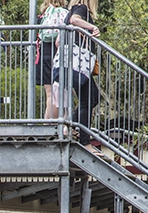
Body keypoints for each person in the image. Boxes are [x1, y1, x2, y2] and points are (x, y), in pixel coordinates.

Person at [61, 0, 102, 154]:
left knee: (93, 97)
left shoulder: (69, 12)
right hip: (79, 63)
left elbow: (59, 41)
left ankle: (68, 125)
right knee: (88, 99)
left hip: (72, 63)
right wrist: (92, 27)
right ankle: (85, 143)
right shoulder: (81, 8)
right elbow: (75, 21)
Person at [35, 0, 69, 119]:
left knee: (50, 94)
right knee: (62, 93)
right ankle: (60, 124)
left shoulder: (45, 14)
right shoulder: (65, 13)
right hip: (59, 52)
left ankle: (47, 123)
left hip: (44, 52)